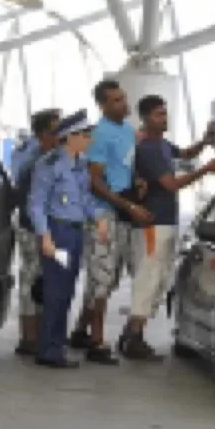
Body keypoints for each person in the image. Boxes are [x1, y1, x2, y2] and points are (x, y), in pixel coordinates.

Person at [120, 94, 215, 360]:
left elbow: (186, 154)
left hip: (165, 221)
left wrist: (206, 141)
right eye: (159, 115)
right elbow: (171, 184)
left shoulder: (161, 144)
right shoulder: (149, 149)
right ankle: (134, 337)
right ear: (144, 117)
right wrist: (206, 170)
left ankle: (132, 333)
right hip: (154, 224)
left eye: (165, 114)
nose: (164, 119)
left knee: (158, 277)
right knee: (149, 278)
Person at [69, 79, 153, 365]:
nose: (124, 103)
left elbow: (123, 169)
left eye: (123, 97)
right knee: (102, 276)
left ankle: (81, 329)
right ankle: (97, 342)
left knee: (106, 275)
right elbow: (94, 180)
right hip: (102, 212)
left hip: (120, 209)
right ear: (102, 105)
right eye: (116, 100)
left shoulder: (128, 132)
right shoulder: (101, 134)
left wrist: (136, 182)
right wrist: (126, 204)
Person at [29, 109, 108, 369]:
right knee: (55, 292)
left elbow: (84, 199)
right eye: (85, 135)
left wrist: (98, 217)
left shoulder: (80, 165)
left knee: (66, 291)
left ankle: (56, 346)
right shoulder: (49, 165)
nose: (90, 140)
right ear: (70, 137)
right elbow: (36, 204)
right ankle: (49, 350)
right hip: (58, 231)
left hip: (74, 232)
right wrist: (45, 236)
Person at [12, 109, 62, 356]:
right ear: (44, 134)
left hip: (40, 229)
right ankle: (29, 337)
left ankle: (36, 335)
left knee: (39, 282)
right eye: (57, 130)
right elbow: (32, 203)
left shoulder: (45, 159)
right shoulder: (36, 163)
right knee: (32, 281)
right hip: (34, 230)